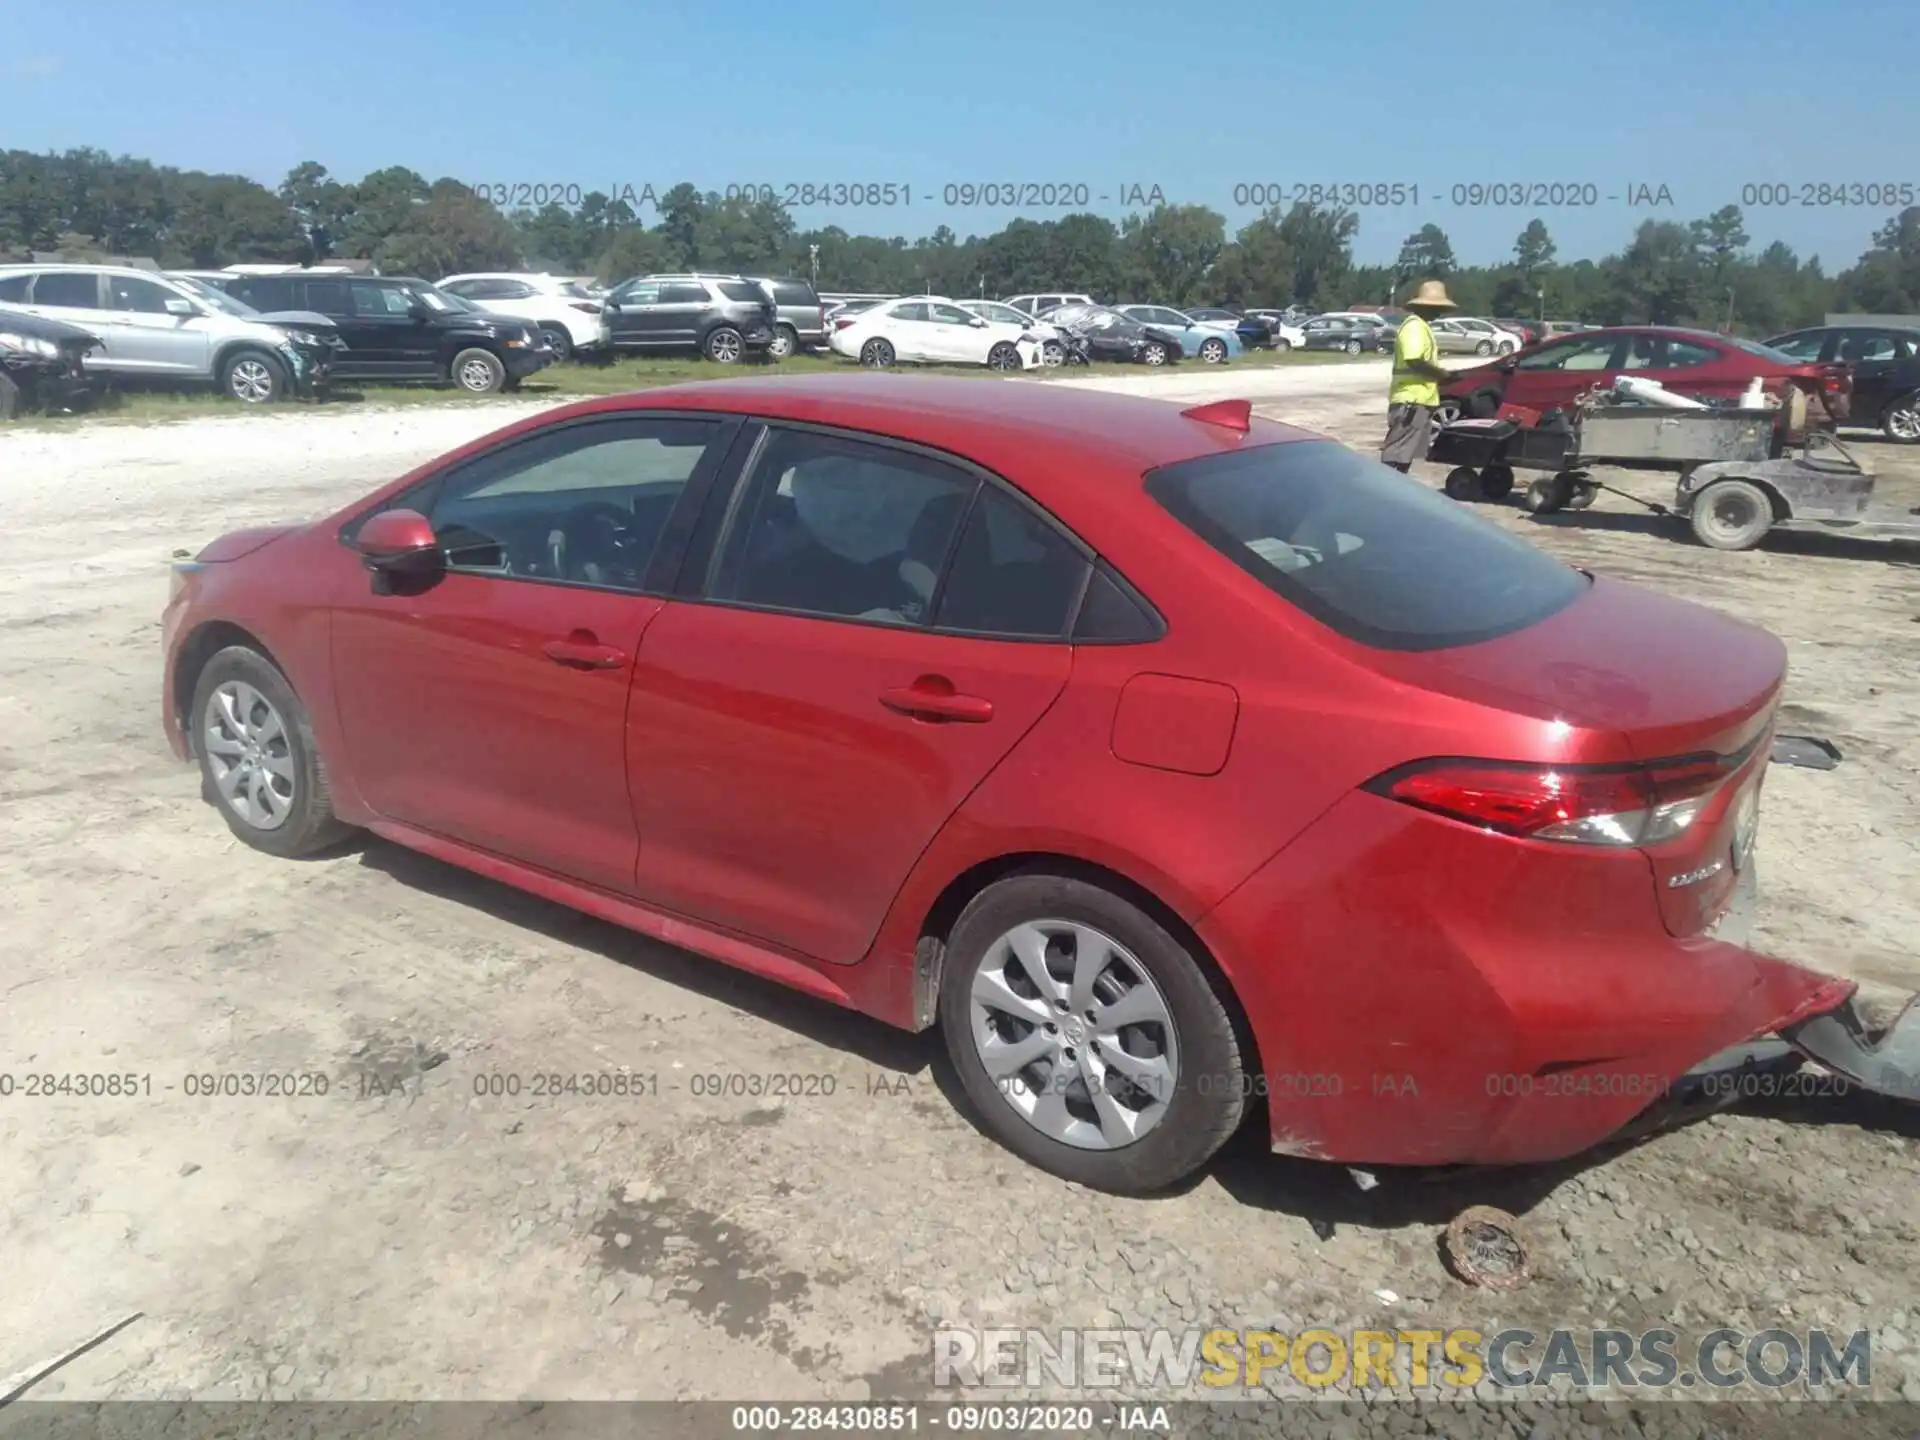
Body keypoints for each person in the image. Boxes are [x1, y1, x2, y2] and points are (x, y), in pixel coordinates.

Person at [1379, 279, 1456, 473]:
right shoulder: (1414, 327)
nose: (1439, 313)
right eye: (1437, 308)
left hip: (1418, 400)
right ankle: (1385, 491)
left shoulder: (1421, 326)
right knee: (1395, 453)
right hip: (1411, 400)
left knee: (1405, 454)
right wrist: (1443, 375)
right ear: (1426, 306)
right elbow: (1415, 360)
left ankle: (1397, 490)